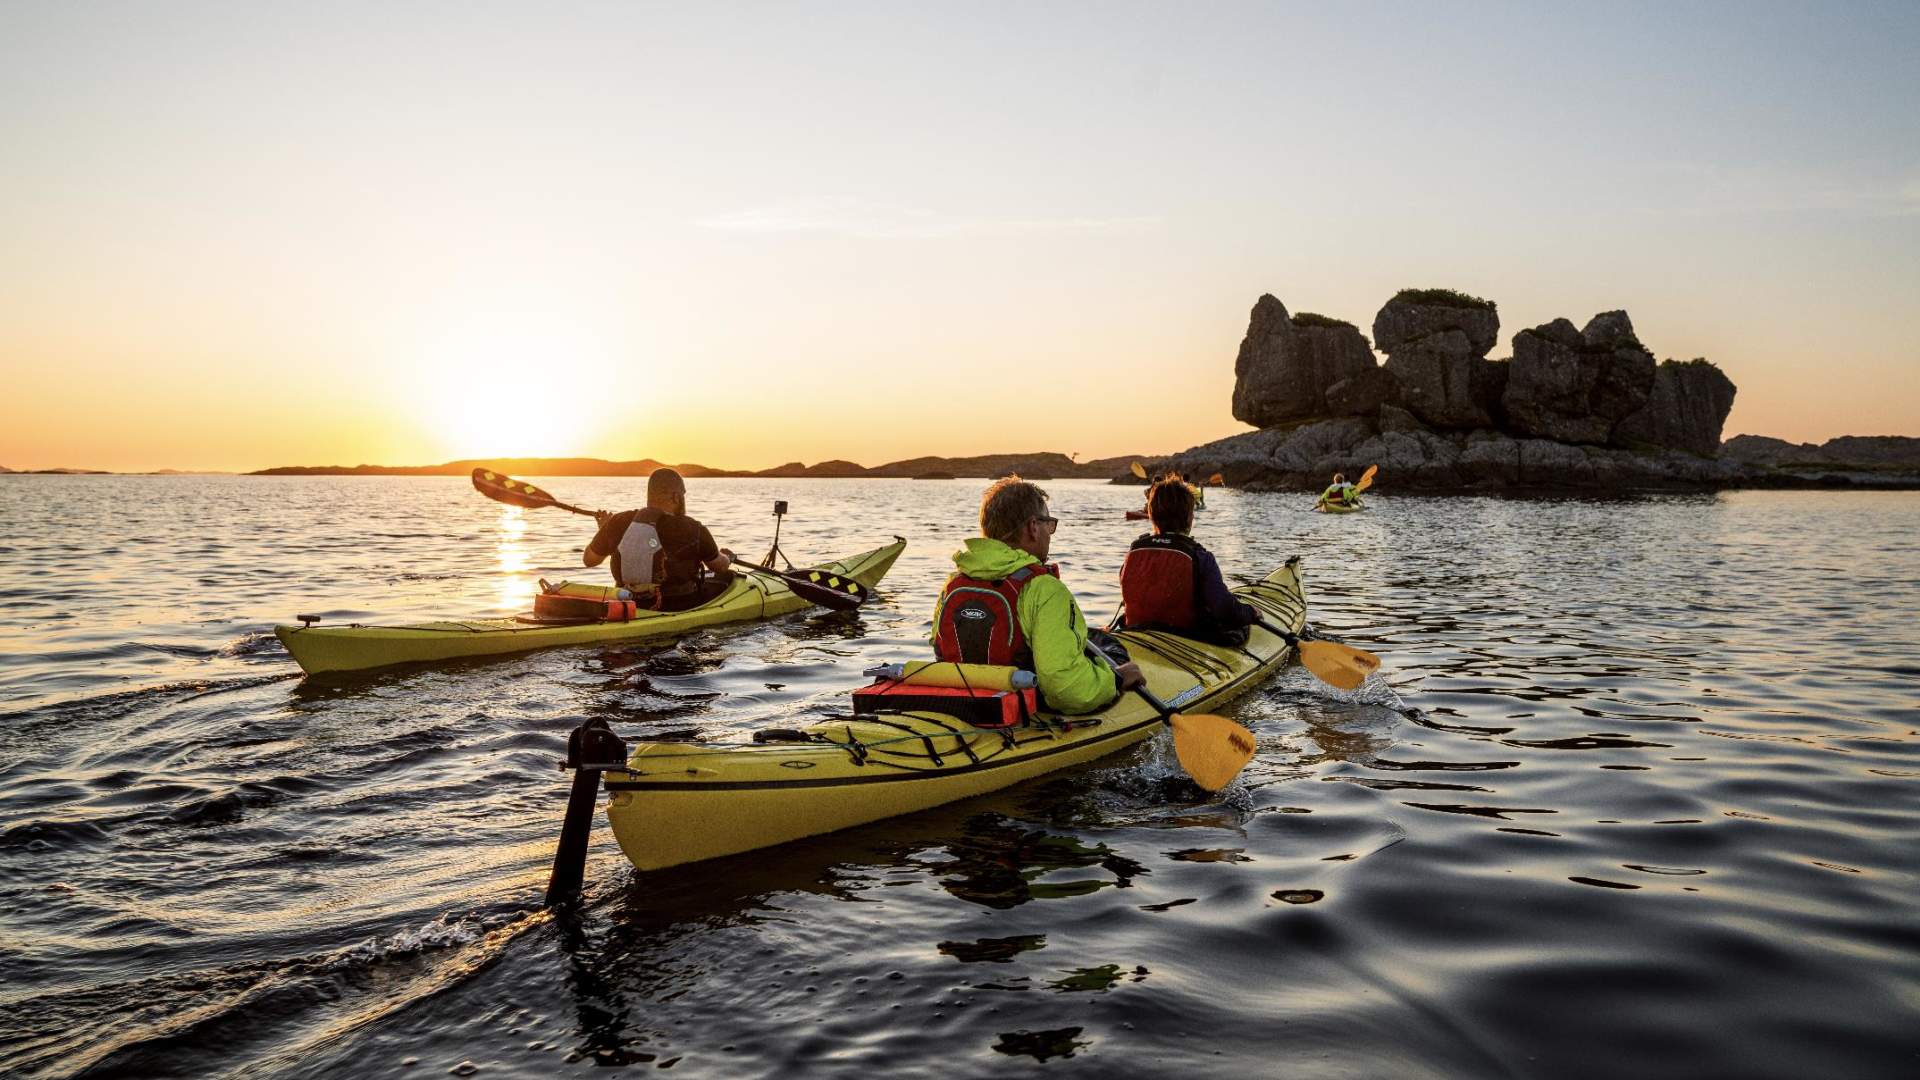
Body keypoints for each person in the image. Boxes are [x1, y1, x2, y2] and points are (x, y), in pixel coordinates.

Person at [930, 476, 1144, 713]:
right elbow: (1064, 688)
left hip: (959, 706)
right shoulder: (1044, 589)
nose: (1050, 533)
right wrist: (1114, 679)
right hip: (1023, 711)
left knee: (1091, 638)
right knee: (1110, 649)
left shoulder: (954, 583)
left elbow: (939, 650)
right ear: (1033, 527)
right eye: (1048, 524)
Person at [1120, 477, 1258, 645]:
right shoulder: (1200, 556)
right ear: (1189, 517)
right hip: (1186, 639)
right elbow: (1224, 609)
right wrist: (1250, 613)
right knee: (1237, 627)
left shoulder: (1134, 550)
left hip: (1135, 633)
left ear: (1151, 514)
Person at [583, 468, 736, 611]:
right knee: (727, 578)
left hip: (628, 606)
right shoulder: (693, 528)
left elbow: (589, 560)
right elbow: (719, 566)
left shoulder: (617, 522)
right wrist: (728, 558)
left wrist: (605, 530)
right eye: (683, 494)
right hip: (678, 606)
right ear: (676, 496)